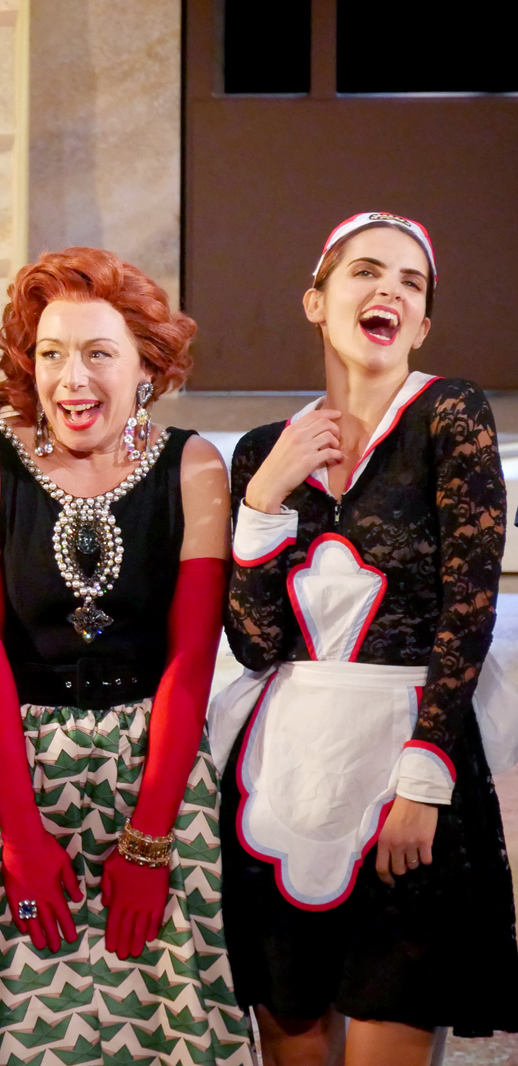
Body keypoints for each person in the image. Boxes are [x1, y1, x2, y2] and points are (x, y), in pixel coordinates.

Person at [0, 247, 254, 1064]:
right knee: (0, 1021)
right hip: (10, 770)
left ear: (146, 369)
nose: (71, 378)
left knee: (165, 1018)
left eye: (99, 353)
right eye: (51, 353)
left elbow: (190, 664)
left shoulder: (193, 466)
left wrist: (150, 839)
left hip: (154, 770)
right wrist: (21, 836)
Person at [210, 212, 518, 1064]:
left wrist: (424, 782)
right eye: (366, 271)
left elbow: (469, 609)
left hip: (407, 773)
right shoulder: (266, 450)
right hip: (281, 782)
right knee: (294, 1040)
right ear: (316, 301)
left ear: (421, 325)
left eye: (410, 283)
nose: (389, 289)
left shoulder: (450, 415)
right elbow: (256, 644)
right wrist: (263, 501)